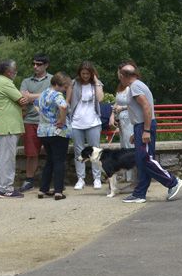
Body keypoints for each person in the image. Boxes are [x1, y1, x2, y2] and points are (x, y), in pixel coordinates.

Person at [117, 62, 182, 204]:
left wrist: (145, 130)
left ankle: (172, 182)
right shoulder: (135, 86)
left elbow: (146, 107)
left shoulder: (135, 86)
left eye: (119, 75)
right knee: (142, 161)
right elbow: (141, 110)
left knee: (145, 158)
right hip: (140, 126)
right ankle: (139, 193)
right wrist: (137, 132)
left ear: (122, 75)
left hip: (144, 126)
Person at [0, 59, 27, 198]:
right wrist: (29, 97)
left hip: (3, 125)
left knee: (2, 157)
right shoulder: (5, 82)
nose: (15, 72)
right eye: (14, 69)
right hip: (8, 126)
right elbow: (21, 99)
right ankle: (6, 188)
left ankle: (0, 186)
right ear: (7, 71)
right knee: (7, 158)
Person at [66, 61, 104, 191]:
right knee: (79, 151)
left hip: (93, 122)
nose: (85, 76)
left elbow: (100, 98)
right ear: (79, 73)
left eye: (88, 73)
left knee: (95, 150)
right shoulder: (73, 83)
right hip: (77, 122)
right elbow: (67, 101)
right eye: (83, 73)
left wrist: (96, 80)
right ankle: (80, 178)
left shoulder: (96, 84)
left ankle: (97, 178)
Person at [18, 53, 51, 192]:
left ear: (46, 65)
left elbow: (52, 95)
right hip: (30, 120)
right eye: (34, 64)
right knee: (31, 153)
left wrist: (31, 96)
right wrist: (43, 95)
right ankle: (29, 179)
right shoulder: (26, 81)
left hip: (49, 121)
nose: (35, 67)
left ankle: (50, 180)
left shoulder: (52, 79)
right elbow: (21, 97)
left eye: (38, 64)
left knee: (52, 152)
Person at [35, 72, 71, 200]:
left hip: (43, 131)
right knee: (59, 161)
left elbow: (35, 104)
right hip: (56, 131)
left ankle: (42, 189)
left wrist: (44, 117)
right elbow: (63, 106)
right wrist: (62, 120)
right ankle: (58, 191)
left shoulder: (44, 93)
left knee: (49, 160)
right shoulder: (57, 94)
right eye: (64, 87)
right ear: (57, 85)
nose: (65, 89)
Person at [109, 62, 136, 184]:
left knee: (130, 147)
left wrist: (123, 108)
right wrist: (113, 114)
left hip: (130, 118)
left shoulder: (131, 86)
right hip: (122, 119)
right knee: (124, 146)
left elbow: (134, 104)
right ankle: (127, 176)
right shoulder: (120, 86)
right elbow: (117, 101)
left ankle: (133, 179)